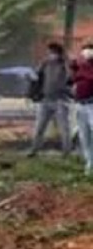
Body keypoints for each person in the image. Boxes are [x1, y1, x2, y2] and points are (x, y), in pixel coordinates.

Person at [27, 42, 71, 156]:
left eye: (53, 52)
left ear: (58, 53)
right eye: (50, 52)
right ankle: (34, 150)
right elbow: (37, 76)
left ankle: (66, 151)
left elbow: (70, 76)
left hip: (60, 100)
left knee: (64, 128)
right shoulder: (45, 63)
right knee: (39, 127)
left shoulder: (64, 64)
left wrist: (65, 61)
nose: (51, 54)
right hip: (45, 100)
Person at [70, 41, 93, 174]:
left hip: (92, 104)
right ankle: (89, 164)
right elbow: (72, 79)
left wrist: (82, 68)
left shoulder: (86, 67)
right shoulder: (80, 66)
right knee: (84, 137)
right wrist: (74, 67)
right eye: (85, 49)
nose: (87, 51)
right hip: (80, 104)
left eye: (90, 49)